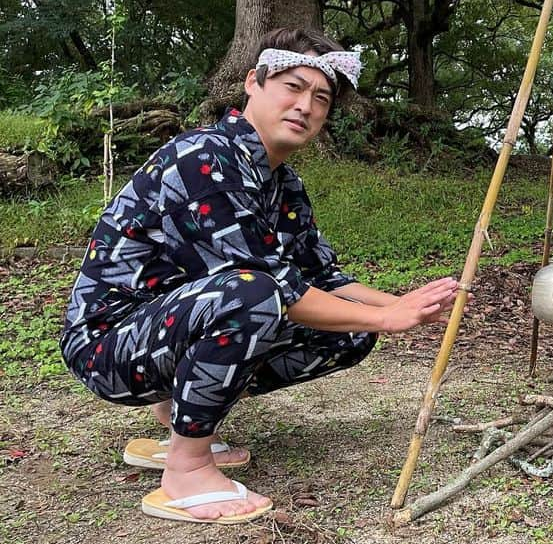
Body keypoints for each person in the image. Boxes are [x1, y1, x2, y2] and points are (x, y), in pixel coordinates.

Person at [59, 28, 463, 524]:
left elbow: (322, 276)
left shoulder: (281, 180)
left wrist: (407, 305)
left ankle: (177, 420)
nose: (306, 106)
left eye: (321, 97)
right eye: (293, 86)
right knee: (252, 293)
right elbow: (270, 287)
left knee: (349, 329)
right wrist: (388, 317)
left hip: (165, 330)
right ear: (253, 82)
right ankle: (187, 468)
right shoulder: (204, 159)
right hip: (107, 346)